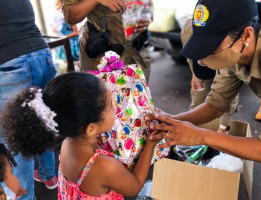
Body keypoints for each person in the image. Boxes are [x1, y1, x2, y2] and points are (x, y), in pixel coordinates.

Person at [146, 0, 261, 199]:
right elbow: (216, 104)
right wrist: (174, 120)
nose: (205, 59)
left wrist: (201, 136)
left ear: (246, 35)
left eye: (211, 47)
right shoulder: (235, 49)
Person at [0, 72, 160, 199]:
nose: (115, 109)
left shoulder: (68, 142)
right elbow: (135, 186)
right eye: (110, 106)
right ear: (91, 128)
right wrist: (151, 143)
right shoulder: (105, 166)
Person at [0, 0, 58, 199]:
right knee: (42, 120)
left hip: (9, 62)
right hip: (41, 54)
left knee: (13, 141)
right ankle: (48, 174)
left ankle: (23, 196)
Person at [61, 0, 153, 82]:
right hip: (101, 55)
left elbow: (148, 5)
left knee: (138, 97)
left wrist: (148, 17)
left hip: (137, 51)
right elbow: (71, 17)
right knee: (102, 99)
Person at [181, 19, 239, 134]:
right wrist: (195, 74)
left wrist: (223, 128)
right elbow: (190, 56)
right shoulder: (188, 31)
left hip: (225, 59)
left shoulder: (231, 46)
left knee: (223, 99)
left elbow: (227, 95)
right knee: (198, 99)